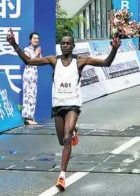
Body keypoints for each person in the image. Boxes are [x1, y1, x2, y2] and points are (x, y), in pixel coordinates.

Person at [7, 29, 121, 191]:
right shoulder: (53, 60)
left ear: (73, 46)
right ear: (60, 46)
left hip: (73, 104)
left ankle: (61, 176)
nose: (65, 46)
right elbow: (29, 61)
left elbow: (106, 63)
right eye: (63, 43)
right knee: (62, 140)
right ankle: (72, 132)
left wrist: (115, 48)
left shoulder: (80, 61)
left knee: (66, 139)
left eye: (68, 43)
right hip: (58, 105)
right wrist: (14, 44)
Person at [23, 33, 42, 125]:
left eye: (37, 38)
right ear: (30, 40)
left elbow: (40, 61)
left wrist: (39, 54)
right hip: (28, 75)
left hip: (34, 75)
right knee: (28, 95)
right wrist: (36, 53)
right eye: (34, 38)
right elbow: (28, 61)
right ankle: (27, 117)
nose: (36, 40)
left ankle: (31, 117)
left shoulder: (37, 50)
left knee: (33, 96)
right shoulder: (26, 50)